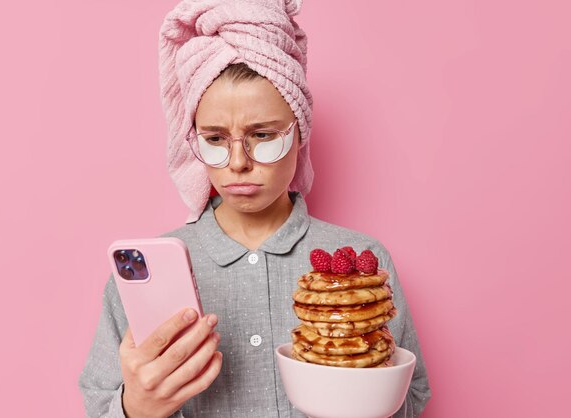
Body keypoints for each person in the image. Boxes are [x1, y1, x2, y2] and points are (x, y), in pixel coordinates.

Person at [78, 1, 431, 417]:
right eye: (214, 138)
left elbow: (414, 396)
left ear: (300, 132)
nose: (238, 161)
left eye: (262, 135)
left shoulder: (361, 262)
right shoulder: (143, 273)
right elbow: (99, 401)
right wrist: (135, 406)